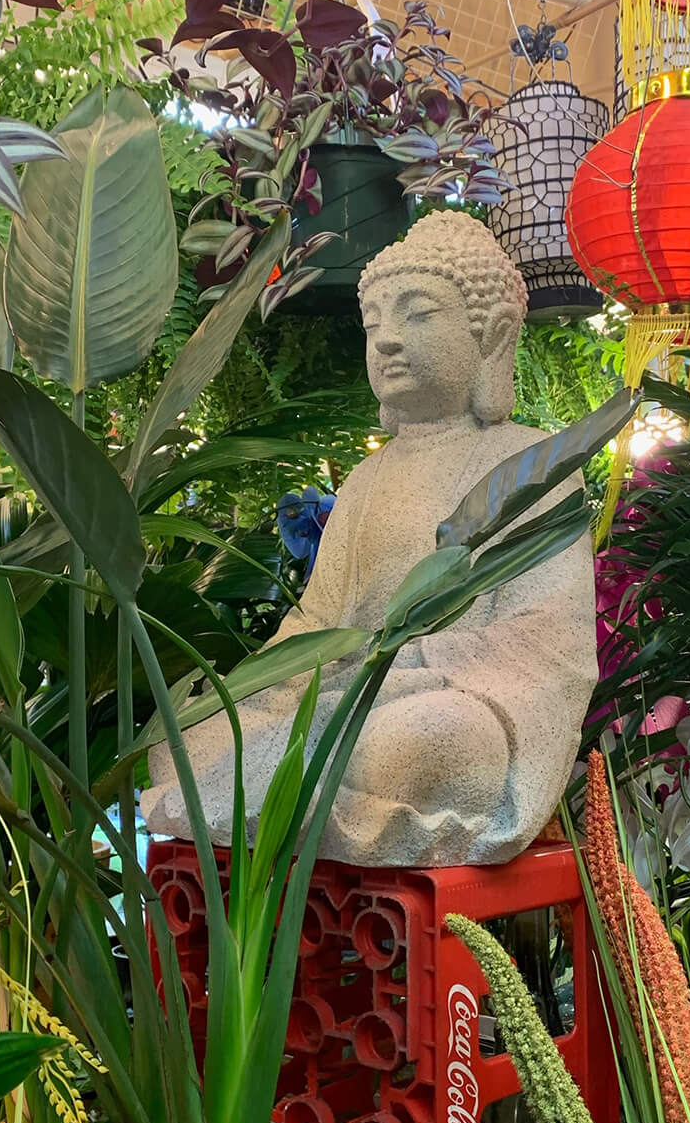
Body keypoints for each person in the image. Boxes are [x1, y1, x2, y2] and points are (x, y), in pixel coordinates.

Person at [142, 212, 597, 866]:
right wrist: (272, 677)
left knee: (423, 743)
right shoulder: (366, 479)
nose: (386, 341)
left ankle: (315, 781)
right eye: (374, 323)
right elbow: (318, 619)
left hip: (444, 703)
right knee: (181, 739)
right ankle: (304, 778)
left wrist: (410, 663)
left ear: (493, 336)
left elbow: (546, 640)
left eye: (418, 315)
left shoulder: (533, 465)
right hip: (344, 692)